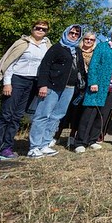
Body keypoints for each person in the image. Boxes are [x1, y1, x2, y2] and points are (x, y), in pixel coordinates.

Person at [0, 20, 51, 162]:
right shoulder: (22, 43)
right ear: (32, 29)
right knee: (5, 115)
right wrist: (7, 83)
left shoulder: (47, 46)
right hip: (17, 80)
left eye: (44, 29)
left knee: (17, 116)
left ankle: (6, 147)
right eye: (38, 28)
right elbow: (10, 62)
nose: (40, 30)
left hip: (33, 82)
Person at [27, 24, 85, 158]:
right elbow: (45, 66)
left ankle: (45, 144)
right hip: (52, 86)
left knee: (57, 116)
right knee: (42, 115)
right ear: (66, 32)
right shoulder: (57, 48)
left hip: (69, 88)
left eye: (77, 34)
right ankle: (34, 146)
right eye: (72, 32)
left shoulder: (76, 50)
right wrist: (42, 85)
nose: (74, 35)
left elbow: (80, 69)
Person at [73, 25, 112, 153]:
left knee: (102, 115)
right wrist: (93, 82)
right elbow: (94, 64)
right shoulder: (103, 46)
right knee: (89, 113)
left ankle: (93, 139)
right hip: (99, 86)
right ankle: (80, 142)